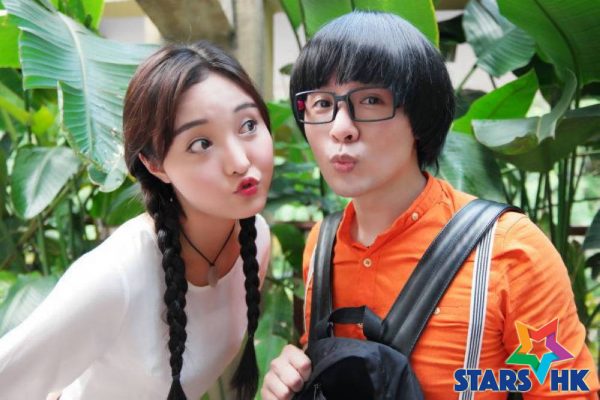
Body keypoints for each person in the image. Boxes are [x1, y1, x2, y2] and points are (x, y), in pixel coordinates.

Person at [261, 11, 599, 400]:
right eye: (322, 103)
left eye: (371, 100)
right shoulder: (323, 245)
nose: (340, 129)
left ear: (420, 118)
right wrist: (294, 378)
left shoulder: (509, 250)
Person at [0, 41, 273, 400]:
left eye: (248, 125)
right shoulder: (116, 276)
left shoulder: (256, 239)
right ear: (154, 164)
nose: (239, 161)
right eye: (202, 144)